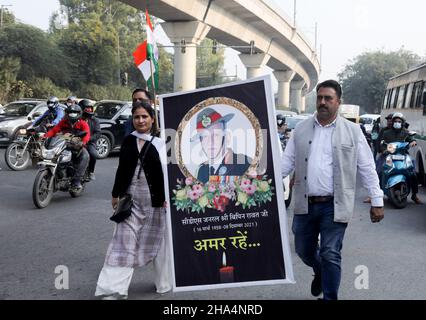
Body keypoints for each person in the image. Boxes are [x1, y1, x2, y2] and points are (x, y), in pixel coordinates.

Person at [281, 80, 384, 300]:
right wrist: (260, 185)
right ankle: (319, 270)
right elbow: (285, 163)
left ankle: (330, 297)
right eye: (319, 98)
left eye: (328, 98)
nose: (323, 102)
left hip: (334, 205)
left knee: (331, 253)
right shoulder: (300, 129)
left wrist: (377, 200)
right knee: (304, 251)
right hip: (304, 203)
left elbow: (366, 167)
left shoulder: (353, 132)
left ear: (338, 102)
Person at [95, 100, 171, 300]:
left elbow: (167, 174)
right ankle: (113, 289)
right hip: (131, 202)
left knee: (159, 243)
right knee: (122, 242)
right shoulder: (129, 141)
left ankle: (165, 283)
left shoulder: (161, 144)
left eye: (144, 116)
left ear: (152, 119)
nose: (140, 120)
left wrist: (166, 198)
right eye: (137, 117)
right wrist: (115, 193)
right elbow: (122, 170)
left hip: (156, 202)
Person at [191, 108, 252, 184]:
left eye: (216, 135)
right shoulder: (201, 170)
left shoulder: (245, 164)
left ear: (227, 137)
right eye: (205, 136)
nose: (210, 142)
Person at [44, 104, 90, 191]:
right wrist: (45, 136)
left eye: (74, 113)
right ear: (67, 113)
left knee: (85, 156)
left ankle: (77, 181)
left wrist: (83, 142)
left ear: (79, 113)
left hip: (77, 145)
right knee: (54, 155)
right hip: (64, 144)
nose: (72, 114)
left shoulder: (83, 123)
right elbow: (54, 130)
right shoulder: (63, 122)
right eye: (70, 112)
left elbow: (87, 135)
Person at [380, 113, 422, 204]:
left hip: (403, 155)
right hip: (390, 155)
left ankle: (414, 195)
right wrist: (384, 150)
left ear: (402, 123)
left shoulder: (406, 132)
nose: (397, 123)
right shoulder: (387, 133)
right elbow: (382, 143)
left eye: (399, 121)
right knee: (380, 171)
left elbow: (411, 139)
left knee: (413, 174)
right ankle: (376, 194)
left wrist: (413, 142)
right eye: (395, 121)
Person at [80, 99, 101, 181]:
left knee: (93, 154)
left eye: (90, 108)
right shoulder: (76, 119)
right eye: (87, 108)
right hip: (75, 142)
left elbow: (98, 133)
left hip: (89, 143)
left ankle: (91, 171)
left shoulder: (95, 120)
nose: (89, 110)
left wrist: (89, 139)